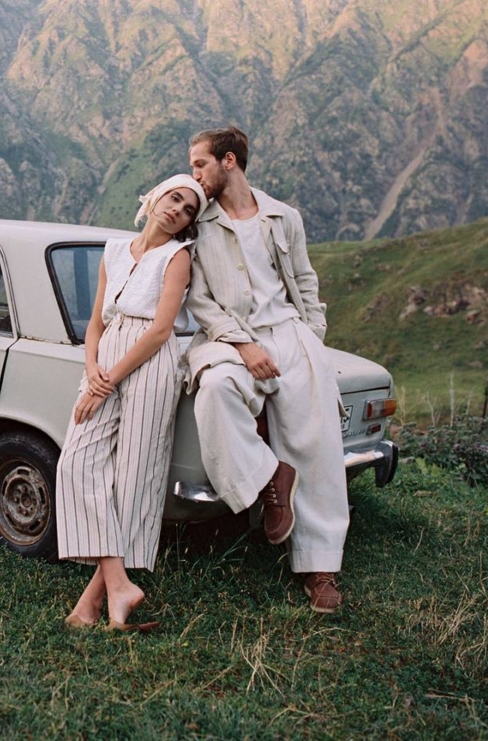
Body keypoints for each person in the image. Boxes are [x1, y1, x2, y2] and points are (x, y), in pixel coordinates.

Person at [185, 126, 348, 613]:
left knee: (315, 444)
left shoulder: (284, 217)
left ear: (229, 161)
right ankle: (269, 479)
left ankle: (320, 570)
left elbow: (303, 278)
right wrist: (241, 343)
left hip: (291, 336)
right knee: (214, 389)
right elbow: (199, 301)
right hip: (229, 338)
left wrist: (311, 337)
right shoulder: (198, 223)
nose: (194, 174)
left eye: (200, 164)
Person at [55, 174, 208, 631]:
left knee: (133, 477)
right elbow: (96, 323)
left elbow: (162, 330)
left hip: (151, 361)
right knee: (76, 463)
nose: (176, 210)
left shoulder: (177, 257)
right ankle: (120, 585)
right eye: (174, 199)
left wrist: (110, 379)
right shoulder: (114, 250)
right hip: (106, 357)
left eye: (186, 211)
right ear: (155, 195)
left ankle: (93, 604)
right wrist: (93, 371)